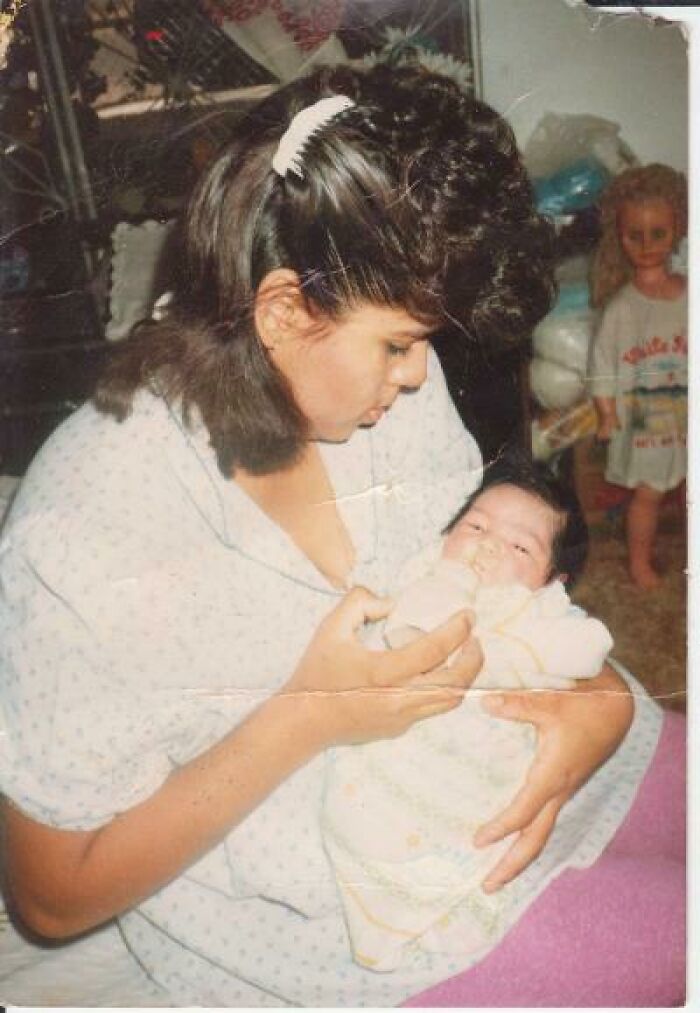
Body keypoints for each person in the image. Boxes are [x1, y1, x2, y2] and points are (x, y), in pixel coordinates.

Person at [0, 65, 683, 1007]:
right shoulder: (87, 530)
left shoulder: (374, 395)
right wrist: (312, 709)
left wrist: (601, 698)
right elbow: (49, 893)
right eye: (399, 344)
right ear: (283, 311)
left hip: (494, 741)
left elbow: (480, 583)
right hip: (351, 904)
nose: (416, 376)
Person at [323, 457, 614, 973]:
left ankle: (448, 903)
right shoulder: (425, 574)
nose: (488, 545)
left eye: (520, 547)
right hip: (396, 754)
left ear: (552, 579)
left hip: (480, 758)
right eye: (475, 526)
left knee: (480, 834)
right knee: (363, 814)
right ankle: (389, 914)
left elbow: (588, 647)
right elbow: (409, 637)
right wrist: (447, 586)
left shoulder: (536, 609)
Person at [589, 164, 687, 590]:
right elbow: (602, 367)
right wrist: (607, 413)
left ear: (677, 230)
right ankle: (640, 562)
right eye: (635, 236)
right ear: (620, 237)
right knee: (648, 493)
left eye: (658, 234)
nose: (647, 246)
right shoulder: (622, 310)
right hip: (648, 422)